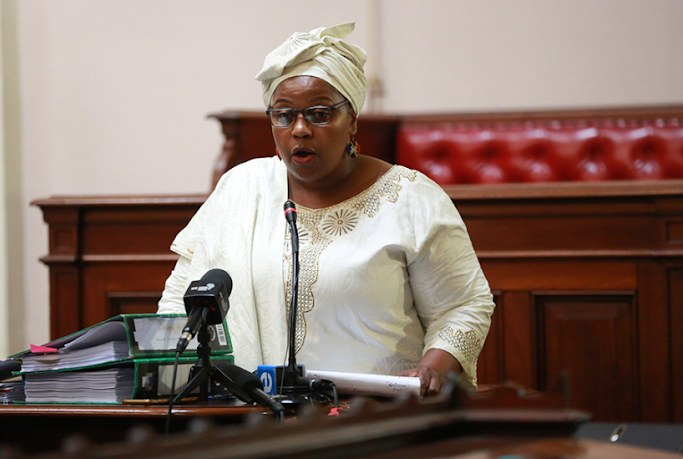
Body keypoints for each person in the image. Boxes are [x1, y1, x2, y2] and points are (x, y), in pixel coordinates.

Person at [158, 22, 494, 395]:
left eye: (319, 114)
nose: (299, 129)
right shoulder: (241, 188)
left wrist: (432, 368)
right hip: (249, 415)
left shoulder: (411, 198)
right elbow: (180, 300)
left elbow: (464, 305)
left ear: (352, 119)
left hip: (375, 413)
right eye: (284, 115)